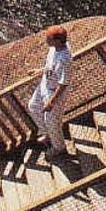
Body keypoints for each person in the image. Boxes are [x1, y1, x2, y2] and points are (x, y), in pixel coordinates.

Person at [28, 26, 72, 156]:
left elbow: (63, 83)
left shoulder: (65, 58)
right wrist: (39, 71)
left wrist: (51, 102)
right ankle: (47, 134)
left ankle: (59, 147)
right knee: (33, 106)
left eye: (49, 39)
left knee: (52, 122)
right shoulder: (54, 49)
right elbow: (50, 66)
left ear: (57, 41)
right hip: (45, 83)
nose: (46, 41)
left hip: (54, 92)